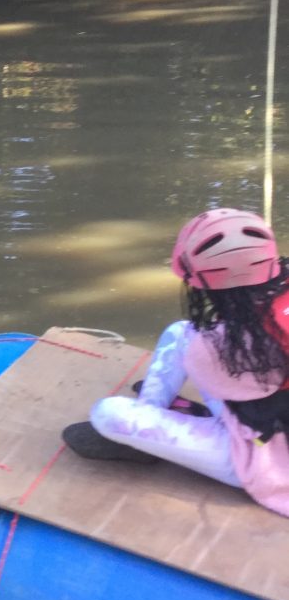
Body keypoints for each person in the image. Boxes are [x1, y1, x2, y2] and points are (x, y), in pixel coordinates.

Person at [62, 208, 289, 517]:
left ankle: (143, 436)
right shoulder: (268, 309)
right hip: (267, 412)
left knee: (108, 414)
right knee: (181, 331)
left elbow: (209, 359)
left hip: (269, 461)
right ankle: (149, 417)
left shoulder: (218, 347)